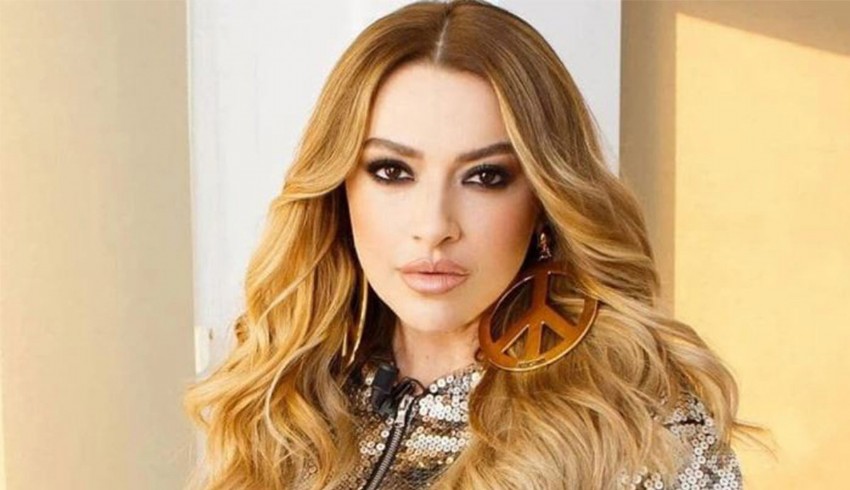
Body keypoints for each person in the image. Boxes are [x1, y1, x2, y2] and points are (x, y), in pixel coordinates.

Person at [183, 1, 766, 489]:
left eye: (485, 177)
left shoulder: (636, 426)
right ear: (340, 190)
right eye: (392, 171)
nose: (434, 225)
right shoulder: (285, 404)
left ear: (543, 199)